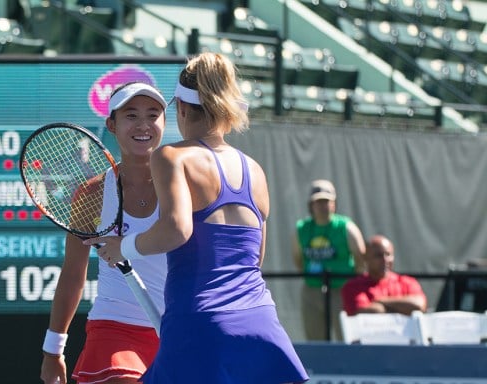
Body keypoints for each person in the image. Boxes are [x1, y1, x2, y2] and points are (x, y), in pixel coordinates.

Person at [85, 53, 308, 383]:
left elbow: (177, 229)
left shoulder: (172, 157)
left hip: (199, 322)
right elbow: (255, 257)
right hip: (260, 321)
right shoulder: (255, 170)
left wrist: (123, 248)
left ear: (182, 108)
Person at [40, 81, 168, 384]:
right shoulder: (93, 193)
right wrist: (52, 350)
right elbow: (73, 273)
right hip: (114, 328)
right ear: (111, 124)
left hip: (177, 328)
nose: (143, 125)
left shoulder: (184, 186)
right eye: (131, 115)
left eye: (153, 115)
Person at [292, 178, 366, 341]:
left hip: (342, 290)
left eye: (326, 201)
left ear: (334, 203)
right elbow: (298, 259)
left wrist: (351, 285)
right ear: (311, 205)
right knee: (315, 339)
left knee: (346, 338)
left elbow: (361, 259)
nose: (322, 206)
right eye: (318, 202)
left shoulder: (346, 227)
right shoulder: (302, 228)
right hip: (312, 290)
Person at [341, 235, 427, 316]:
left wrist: (380, 301)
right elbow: (366, 314)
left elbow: (419, 305)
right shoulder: (353, 286)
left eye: (388, 254)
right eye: (378, 255)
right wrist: (403, 309)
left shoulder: (407, 282)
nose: (385, 260)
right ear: (366, 258)